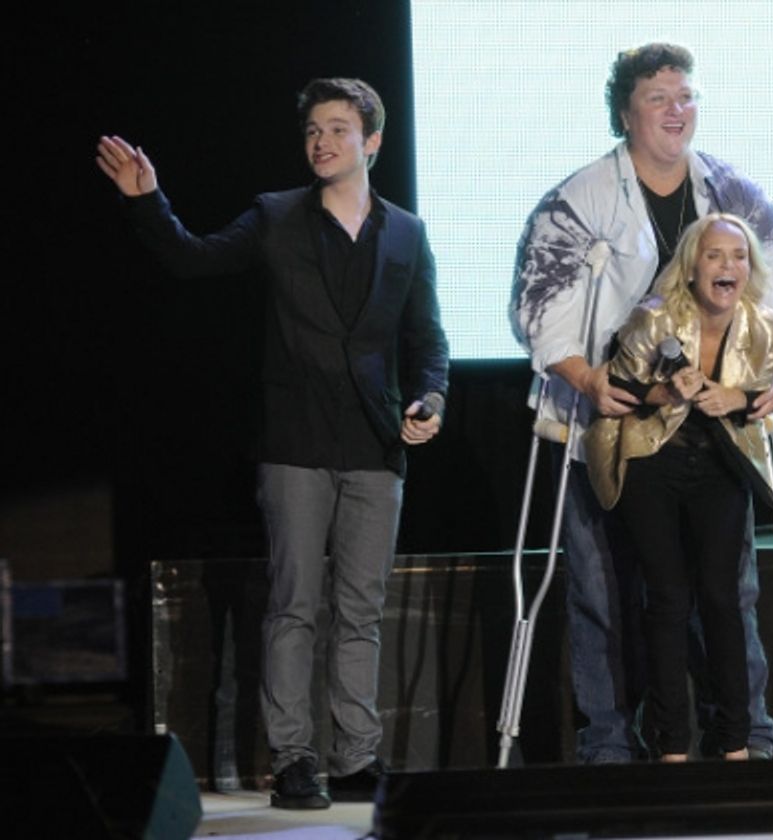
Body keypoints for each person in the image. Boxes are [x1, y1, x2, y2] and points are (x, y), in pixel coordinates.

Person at [96, 77, 449, 806]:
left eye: (337, 129)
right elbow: (193, 258)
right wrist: (146, 201)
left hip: (376, 446)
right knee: (295, 603)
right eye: (313, 130)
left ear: (371, 142)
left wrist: (431, 398)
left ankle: (356, 759)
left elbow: (428, 338)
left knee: (360, 610)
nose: (321, 141)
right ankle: (295, 759)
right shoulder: (278, 217)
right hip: (294, 443)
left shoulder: (408, 233)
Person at [509, 42, 773, 763]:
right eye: (658, 98)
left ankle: (744, 738)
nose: (677, 110)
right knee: (603, 593)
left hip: (715, 434)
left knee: (724, 593)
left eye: (686, 96)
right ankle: (613, 746)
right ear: (625, 112)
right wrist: (585, 378)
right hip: (613, 427)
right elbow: (540, 302)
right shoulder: (577, 198)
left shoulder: (734, 195)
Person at [584, 214, 773, 761]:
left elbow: (760, 395)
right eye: (716, 256)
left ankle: (736, 742)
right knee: (669, 598)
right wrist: (664, 393)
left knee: (724, 599)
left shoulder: (767, 327)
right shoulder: (653, 320)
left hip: (722, 466)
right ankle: (671, 744)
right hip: (654, 460)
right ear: (693, 266)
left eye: (739, 256)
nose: (729, 266)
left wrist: (735, 399)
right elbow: (619, 387)